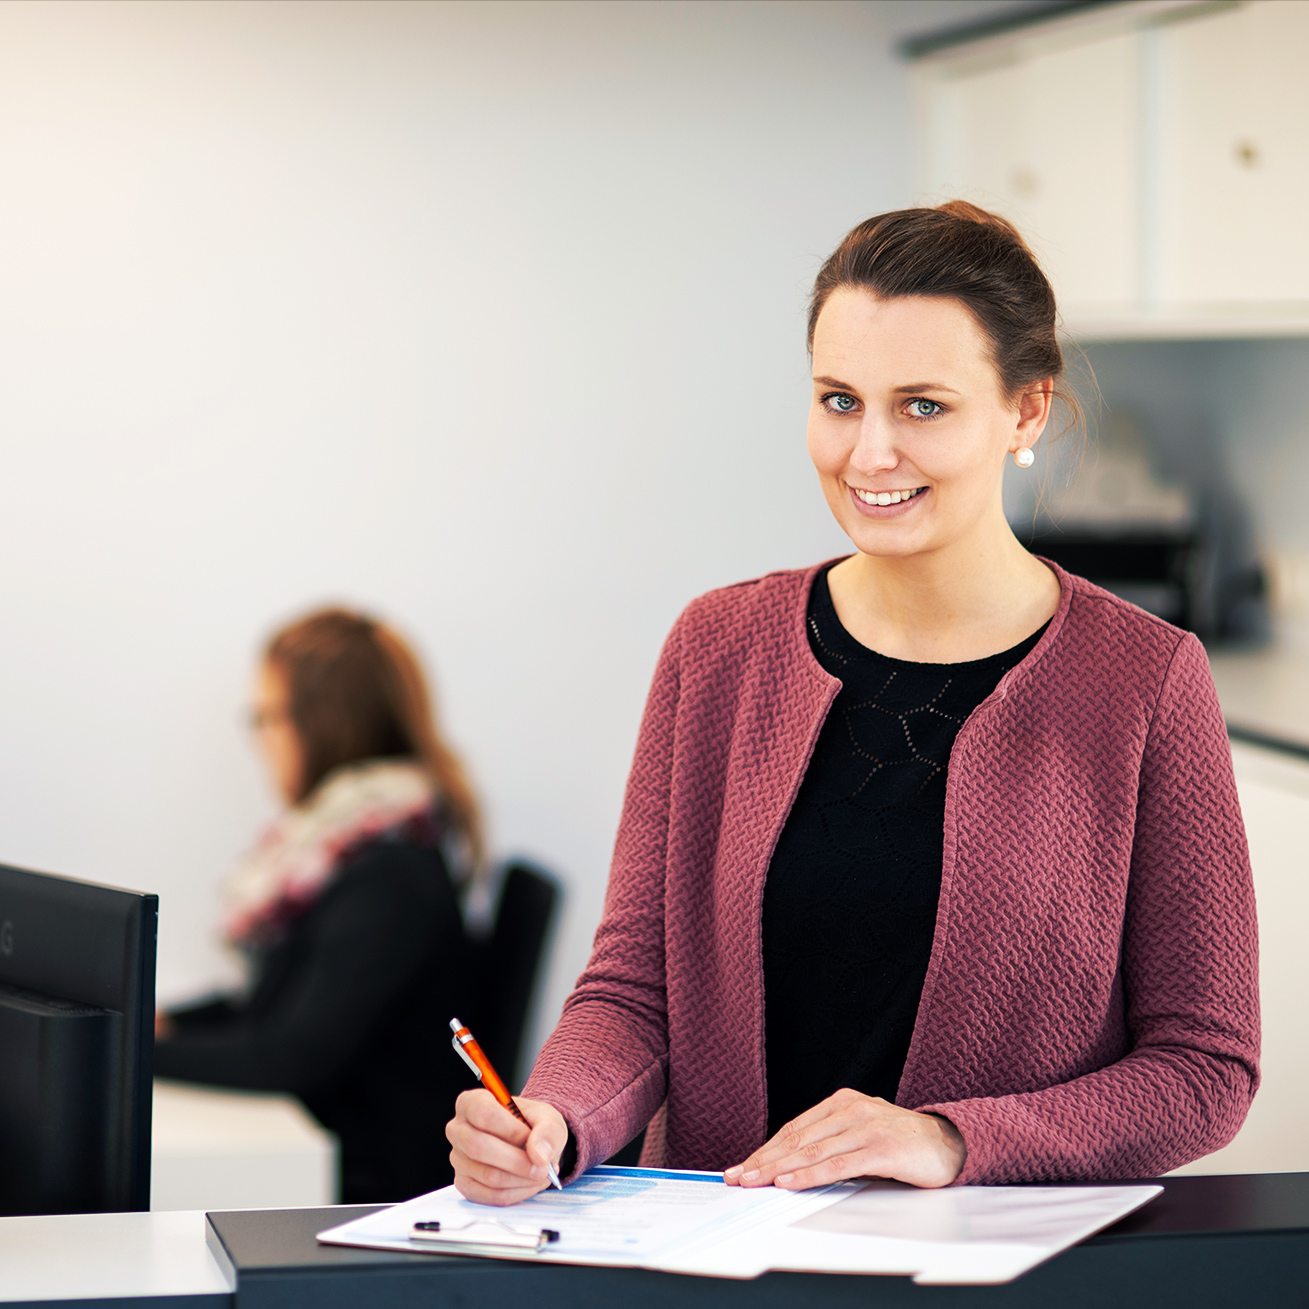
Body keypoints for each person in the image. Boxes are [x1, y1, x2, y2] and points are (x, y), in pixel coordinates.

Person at [447, 201, 1260, 1203]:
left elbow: (1203, 1067)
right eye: (839, 400)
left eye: (922, 405)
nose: (868, 453)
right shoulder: (717, 648)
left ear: (1026, 411)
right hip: (725, 1260)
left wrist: (949, 1139)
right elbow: (634, 990)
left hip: (986, 1274)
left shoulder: (1144, 681)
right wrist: (556, 1117)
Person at [156, 607, 482, 1202]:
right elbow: (279, 1005)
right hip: (325, 1147)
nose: (261, 739)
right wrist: (170, 1025)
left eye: (268, 717)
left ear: (322, 722)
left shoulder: (390, 873)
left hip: (369, 1184)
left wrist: (127, 1052)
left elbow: (285, 1056)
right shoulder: (344, 848)